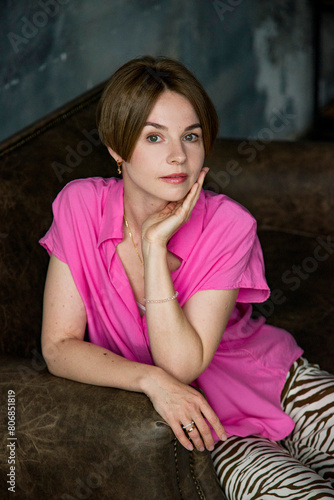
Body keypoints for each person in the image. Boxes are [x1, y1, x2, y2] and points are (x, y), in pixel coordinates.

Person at [39, 55, 334, 499]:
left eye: (190, 136)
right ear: (118, 150)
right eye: (154, 137)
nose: (179, 155)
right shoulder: (79, 207)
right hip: (215, 425)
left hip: (277, 382)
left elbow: (180, 360)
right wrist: (150, 380)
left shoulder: (230, 224)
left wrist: (155, 249)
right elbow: (59, 347)